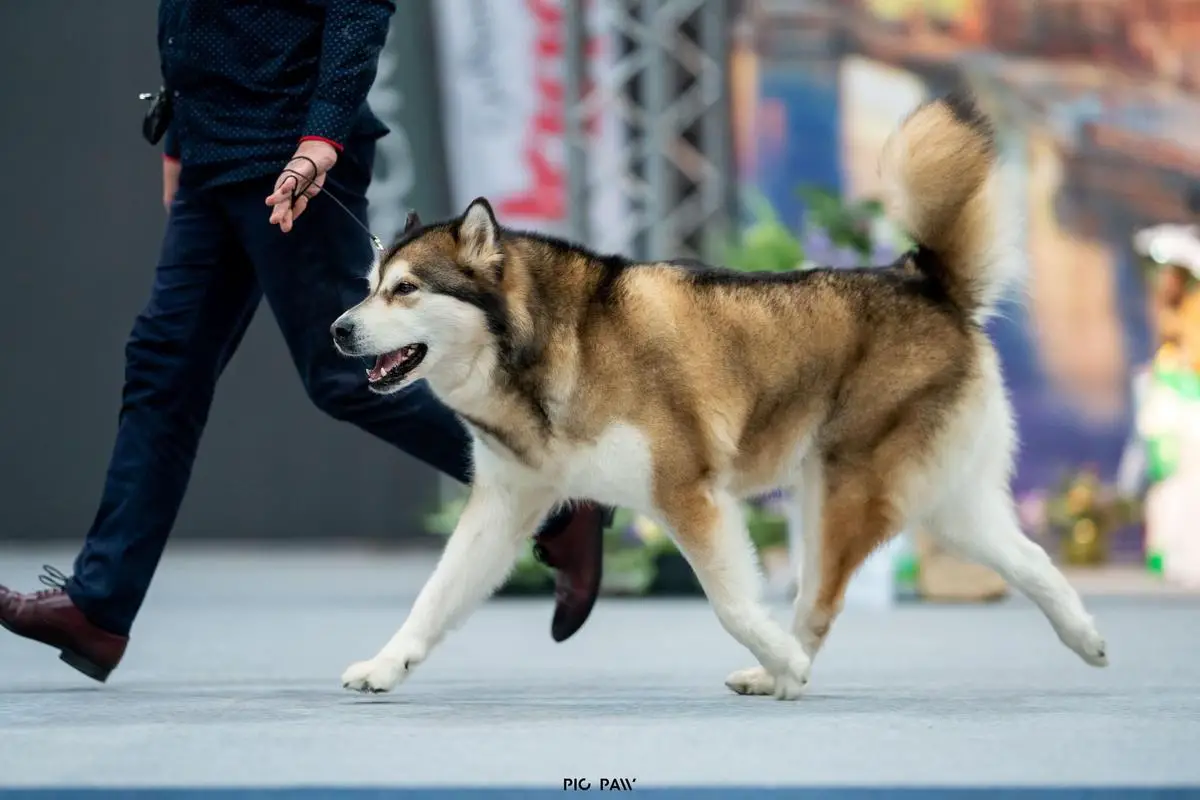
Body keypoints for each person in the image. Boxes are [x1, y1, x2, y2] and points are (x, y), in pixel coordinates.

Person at [0, 0, 609, 684]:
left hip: (291, 152)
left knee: (345, 375)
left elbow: (358, 8)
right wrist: (178, 136)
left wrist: (322, 137)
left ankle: (557, 484)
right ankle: (99, 607)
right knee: (162, 369)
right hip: (210, 150)